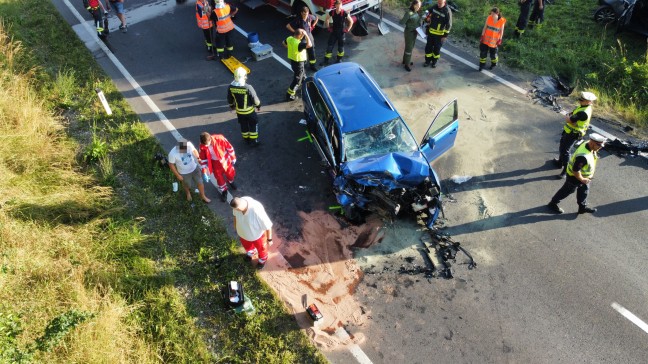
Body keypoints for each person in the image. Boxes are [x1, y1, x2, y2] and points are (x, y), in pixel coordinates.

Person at [547, 133, 606, 215]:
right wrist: (582, 179)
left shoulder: (588, 144)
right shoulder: (583, 156)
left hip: (585, 177)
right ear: (592, 142)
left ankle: (582, 208)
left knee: (584, 191)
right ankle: (553, 203)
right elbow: (575, 170)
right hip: (574, 177)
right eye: (598, 145)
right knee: (567, 191)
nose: (600, 148)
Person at [554, 91, 597, 178]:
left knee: (565, 151)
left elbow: (569, 119)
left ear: (589, 101)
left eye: (582, 99)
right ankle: (560, 162)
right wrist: (570, 117)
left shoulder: (584, 112)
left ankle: (565, 171)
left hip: (573, 134)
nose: (580, 100)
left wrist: (567, 117)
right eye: (580, 99)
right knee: (562, 147)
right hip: (569, 131)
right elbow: (572, 115)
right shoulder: (583, 107)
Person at [231, 197, 274, 269]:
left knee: (262, 249)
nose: (235, 210)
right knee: (247, 246)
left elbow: (268, 226)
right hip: (243, 234)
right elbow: (235, 216)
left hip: (257, 236)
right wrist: (236, 227)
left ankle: (262, 260)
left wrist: (269, 239)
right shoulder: (237, 205)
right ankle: (251, 252)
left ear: (239, 208)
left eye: (236, 209)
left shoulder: (256, 210)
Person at [198, 132, 237, 202]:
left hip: (225, 160)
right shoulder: (202, 146)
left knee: (230, 174)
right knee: (219, 178)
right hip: (215, 164)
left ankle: (231, 181)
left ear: (210, 139)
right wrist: (204, 171)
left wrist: (233, 158)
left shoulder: (220, 138)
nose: (206, 146)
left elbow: (229, 147)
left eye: (207, 144)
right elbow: (203, 159)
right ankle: (224, 191)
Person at [227, 67, 262, 144]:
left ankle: (246, 138)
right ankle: (254, 140)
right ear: (243, 76)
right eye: (245, 75)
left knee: (243, 124)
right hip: (249, 111)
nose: (246, 77)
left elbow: (230, 99)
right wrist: (258, 105)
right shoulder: (248, 87)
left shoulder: (231, 87)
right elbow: (255, 99)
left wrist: (232, 106)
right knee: (253, 123)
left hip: (239, 112)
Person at [287, 5, 318, 71]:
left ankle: (313, 66)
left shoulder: (310, 17)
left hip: (309, 36)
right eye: (304, 14)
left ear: (308, 12)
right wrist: (296, 32)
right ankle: (303, 64)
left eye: (306, 14)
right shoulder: (298, 20)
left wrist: (313, 25)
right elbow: (288, 26)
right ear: (301, 13)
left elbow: (316, 17)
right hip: (302, 38)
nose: (305, 16)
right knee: (303, 51)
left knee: (312, 51)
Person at [284, 29, 312, 101]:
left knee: (302, 75)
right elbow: (309, 45)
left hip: (293, 62)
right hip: (299, 63)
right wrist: (306, 35)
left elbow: (283, 43)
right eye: (302, 35)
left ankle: (306, 85)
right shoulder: (299, 44)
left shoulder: (289, 38)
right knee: (297, 81)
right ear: (300, 35)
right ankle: (290, 95)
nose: (302, 37)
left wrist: (289, 48)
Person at [423, 0, 452, 68]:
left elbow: (449, 25)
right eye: (438, 2)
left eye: (440, 3)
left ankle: (434, 62)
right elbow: (427, 13)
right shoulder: (434, 7)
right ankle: (427, 61)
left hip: (439, 35)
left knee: (436, 50)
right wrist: (426, 18)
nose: (438, 4)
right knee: (428, 48)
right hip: (431, 33)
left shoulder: (447, 11)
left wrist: (445, 35)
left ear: (444, 2)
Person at [323, 0, 353, 65]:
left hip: (341, 33)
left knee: (340, 48)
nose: (338, 7)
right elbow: (327, 19)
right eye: (337, 5)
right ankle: (326, 60)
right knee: (329, 47)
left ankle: (339, 60)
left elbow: (351, 21)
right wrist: (328, 27)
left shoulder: (344, 13)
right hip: (334, 31)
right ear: (335, 5)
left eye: (340, 5)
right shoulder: (332, 12)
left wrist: (347, 29)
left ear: (341, 5)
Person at [400, 0, 422, 72]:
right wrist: (407, 22)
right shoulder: (409, 13)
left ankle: (405, 60)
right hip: (409, 33)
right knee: (409, 49)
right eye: (418, 6)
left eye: (420, 6)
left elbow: (417, 21)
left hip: (415, 32)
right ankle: (407, 64)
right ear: (414, 5)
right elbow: (402, 22)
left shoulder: (416, 12)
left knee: (410, 47)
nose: (419, 7)